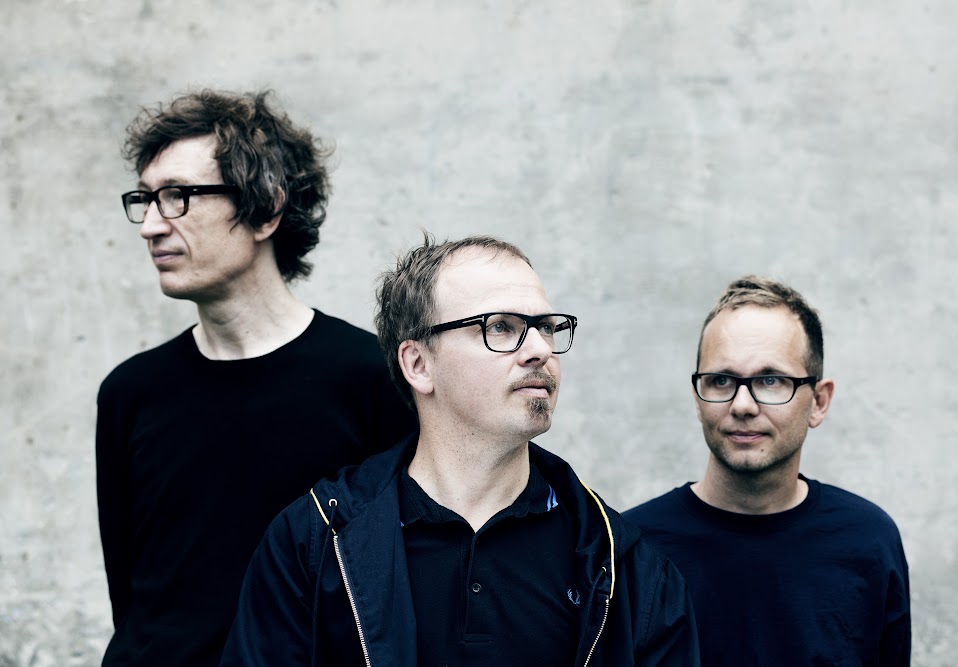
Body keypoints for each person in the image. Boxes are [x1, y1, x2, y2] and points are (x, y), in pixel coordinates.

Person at [221, 235, 700, 666]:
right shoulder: (313, 544)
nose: (540, 349)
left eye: (546, 327)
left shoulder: (623, 564)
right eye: (501, 327)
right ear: (418, 364)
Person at [96, 90, 415, 666]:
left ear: (266, 208)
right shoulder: (130, 393)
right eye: (144, 199)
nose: (150, 226)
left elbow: (400, 582)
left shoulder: (372, 378)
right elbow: (131, 593)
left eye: (177, 197)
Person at [625, 276, 910, 666]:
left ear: (819, 402)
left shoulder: (868, 540)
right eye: (721, 380)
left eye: (771, 380)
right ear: (697, 399)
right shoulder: (634, 549)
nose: (742, 405)